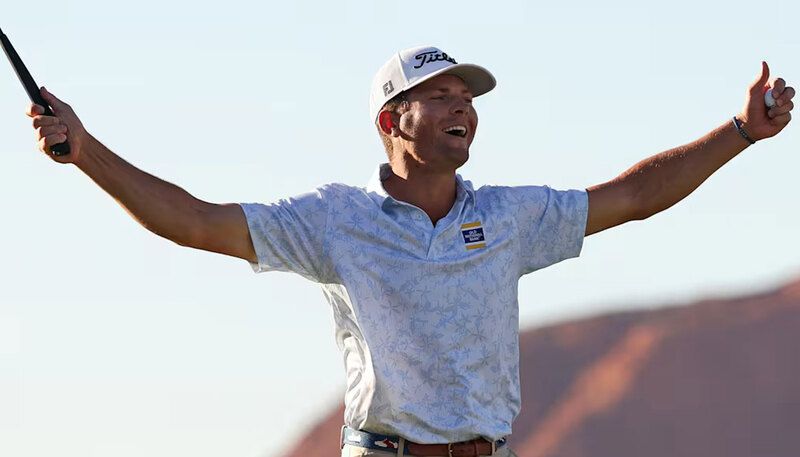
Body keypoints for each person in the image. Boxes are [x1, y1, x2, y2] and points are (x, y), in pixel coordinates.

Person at [25, 45, 794, 457]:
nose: (464, 107)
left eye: (469, 98)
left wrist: (739, 133)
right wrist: (86, 150)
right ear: (393, 122)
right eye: (442, 95)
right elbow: (195, 221)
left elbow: (633, 196)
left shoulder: (509, 216)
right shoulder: (335, 219)